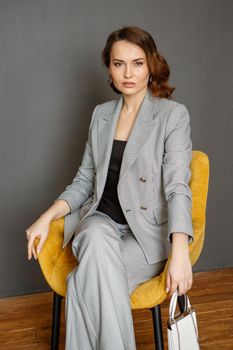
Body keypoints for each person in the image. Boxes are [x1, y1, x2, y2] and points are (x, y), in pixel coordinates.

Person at [26, 26, 194, 350]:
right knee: (92, 235)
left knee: (82, 284)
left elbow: (177, 187)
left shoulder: (172, 116)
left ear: (151, 65)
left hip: (146, 236)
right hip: (100, 223)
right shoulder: (101, 115)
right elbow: (84, 180)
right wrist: (46, 217)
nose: (128, 73)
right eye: (119, 64)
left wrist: (181, 251)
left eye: (137, 63)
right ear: (109, 68)